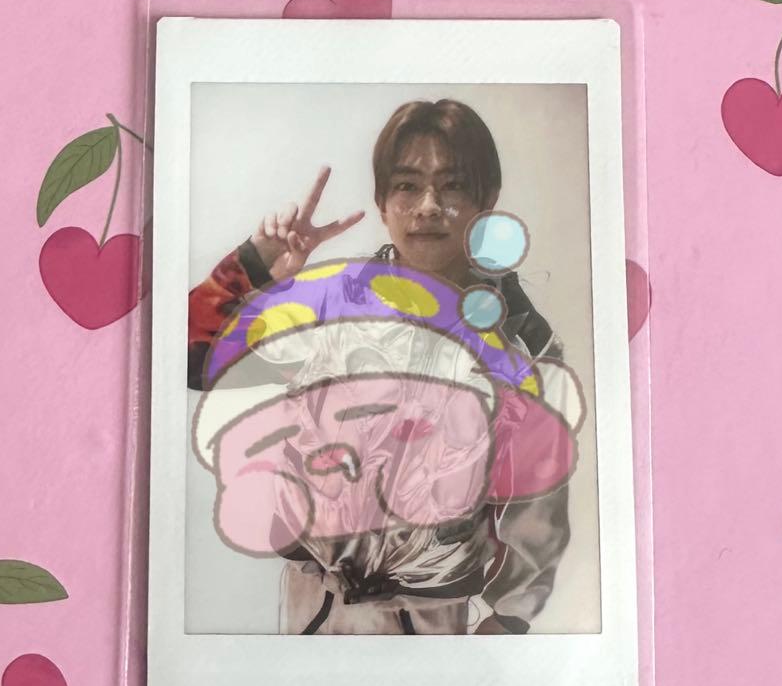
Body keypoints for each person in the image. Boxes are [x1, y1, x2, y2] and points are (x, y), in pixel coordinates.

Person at [188, 98, 575, 635]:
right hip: (312, 614)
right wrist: (255, 265)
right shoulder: (327, 303)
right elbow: (196, 359)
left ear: (486, 200)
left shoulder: (520, 345)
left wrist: (504, 626)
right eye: (407, 185)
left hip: (430, 625)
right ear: (382, 202)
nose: (428, 207)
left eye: (453, 186)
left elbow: (537, 511)